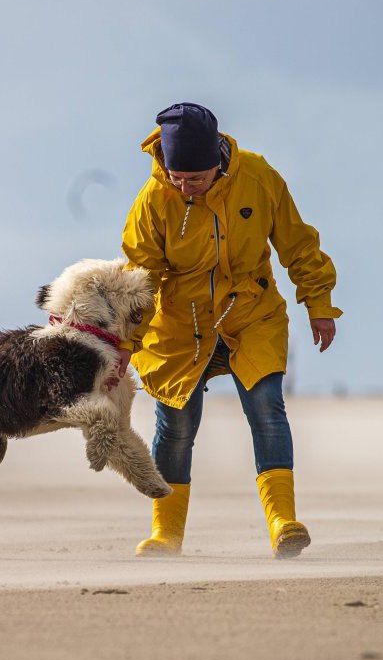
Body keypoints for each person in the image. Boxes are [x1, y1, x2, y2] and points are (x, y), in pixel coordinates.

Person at [118, 102, 341, 558]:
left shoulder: (258, 178)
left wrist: (319, 304)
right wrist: (125, 343)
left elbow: (297, 244)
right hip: (180, 324)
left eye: (195, 179)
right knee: (176, 426)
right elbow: (140, 281)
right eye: (178, 179)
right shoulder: (153, 200)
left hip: (250, 314)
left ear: (218, 162)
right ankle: (166, 533)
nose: (186, 187)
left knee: (267, 408)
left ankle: (284, 523)